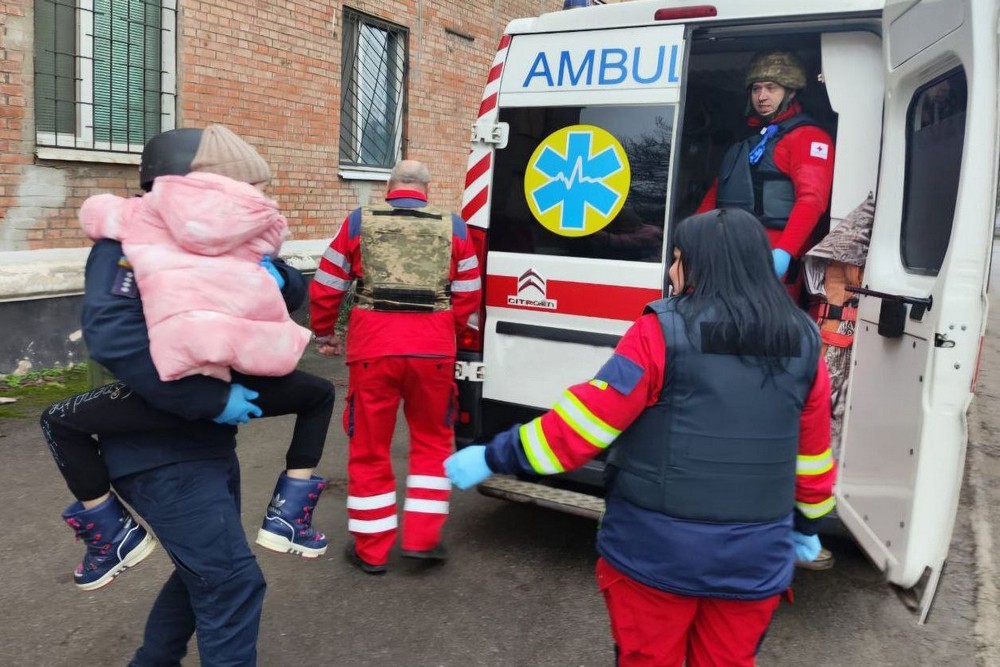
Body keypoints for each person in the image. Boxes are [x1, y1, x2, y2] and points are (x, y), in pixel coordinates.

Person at [445, 208, 836, 667]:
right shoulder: (806, 343)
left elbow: (583, 425)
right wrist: (808, 526)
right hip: (754, 560)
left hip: (655, 555)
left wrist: (495, 454)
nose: (670, 272)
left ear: (697, 265)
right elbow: (812, 458)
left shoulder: (660, 333)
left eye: (675, 259)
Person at [43, 127, 320, 665]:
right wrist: (209, 402)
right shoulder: (124, 244)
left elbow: (288, 298)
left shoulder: (225, 242)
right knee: (232, 583)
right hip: (154, 450)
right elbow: (115, 337)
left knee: (203, 577)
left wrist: (280, 279)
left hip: (207, 448)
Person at [310, 159, 481, 574]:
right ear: (427, 188)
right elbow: (469, 291)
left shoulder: (358, 222)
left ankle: (371, 550)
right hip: (434, 353)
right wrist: (449, 333)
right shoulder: (454, 227)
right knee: (432, 442)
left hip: (374, 350)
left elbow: (327, 282)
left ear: (389, 187)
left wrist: (325, 332)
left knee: (369, 447)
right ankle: (422, 542)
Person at [697, 51, 836, 297]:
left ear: (791, 91)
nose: (761, 96)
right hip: (732, 255)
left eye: (771, 88)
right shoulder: (752, 139)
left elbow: (812, 200)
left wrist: (785, 252)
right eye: (756, 89)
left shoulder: (809, 137)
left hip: (775, 263)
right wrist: (691, 236)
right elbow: (719, 191)